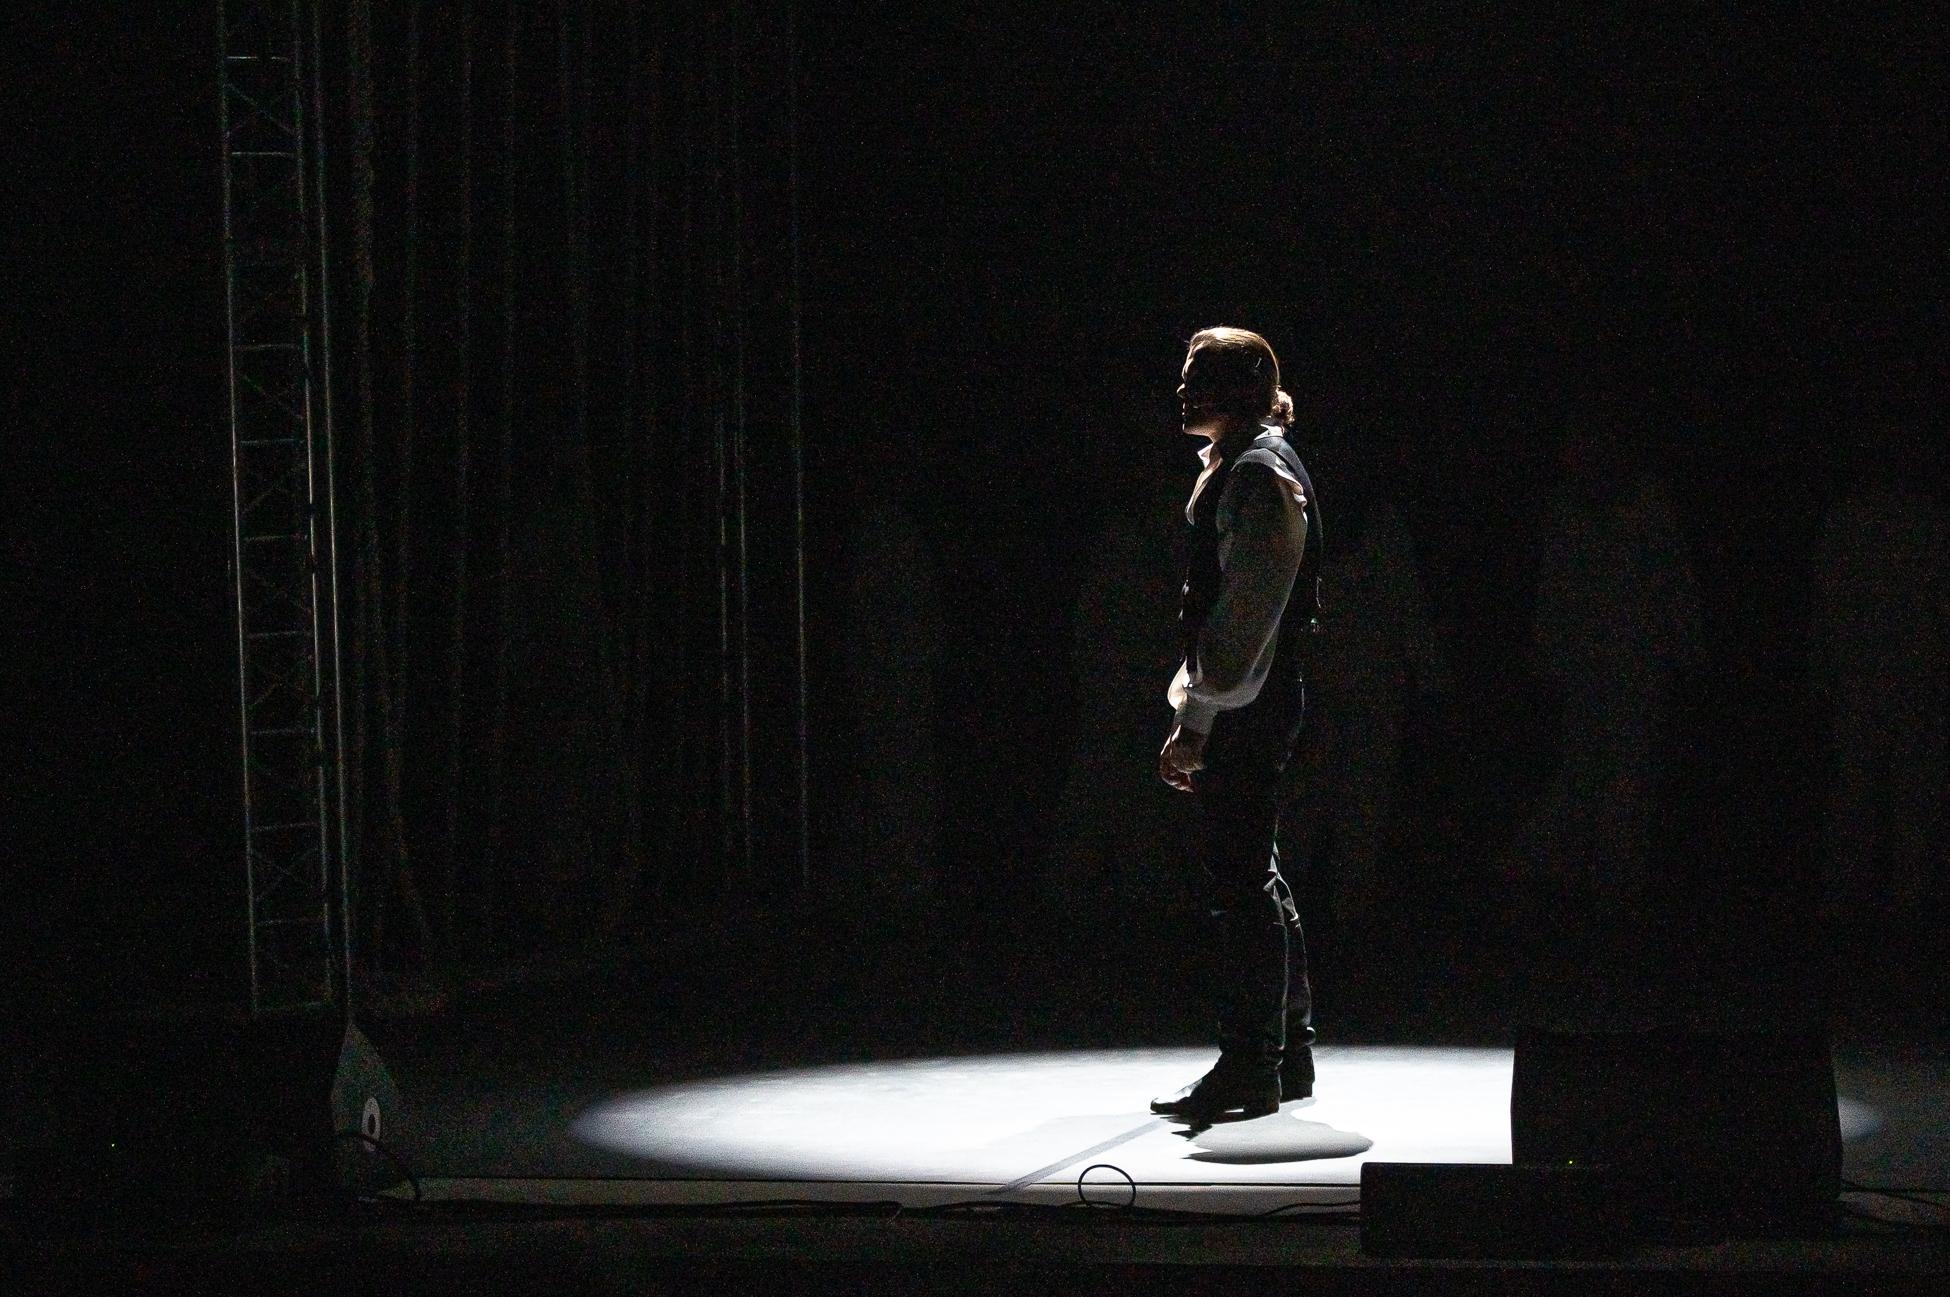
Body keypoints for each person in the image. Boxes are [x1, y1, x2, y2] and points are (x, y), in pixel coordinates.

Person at [1150, 328, 1323, 1123]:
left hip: (1250, 702)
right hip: (1251, 698)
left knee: (1241, 880)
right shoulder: (1244, 468)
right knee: (1256, 871)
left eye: (1202, 376)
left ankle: (1255, 1062)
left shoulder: (1258, 473)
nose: (1184, 390)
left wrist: (1198, 718)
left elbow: (1244, 617)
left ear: (1245, 387)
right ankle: (1285, 1053)